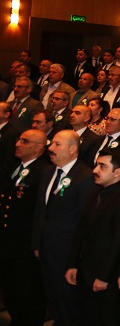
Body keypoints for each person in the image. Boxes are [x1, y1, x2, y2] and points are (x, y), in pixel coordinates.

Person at [33, 130, 95, 326]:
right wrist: (36, 242)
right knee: (53, 299)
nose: (50, 148)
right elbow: (40, 211)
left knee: (69, 304)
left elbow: (84, 222)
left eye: (57, 145)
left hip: (67, 253)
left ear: (72, 149)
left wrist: (75, 260)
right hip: (46, 249)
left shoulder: (85, 177)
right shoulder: (48, 172)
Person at [65, 148, 120, 325]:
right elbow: (81, 230)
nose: (95, 170)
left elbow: (119, 241)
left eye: (102, 166)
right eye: (96, 165)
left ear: (117, 172)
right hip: (85, 270)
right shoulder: (95, 192)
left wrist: (104, 276)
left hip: (104, 276)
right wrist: (73, 264)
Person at [0, 129, 51, 326]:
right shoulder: (17, 167)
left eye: (24, 141)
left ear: (38, 147)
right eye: (19, 140)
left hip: (25, 244)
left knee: (27, 291)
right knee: (11, 288)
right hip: (8, 241)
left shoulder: (43, 171)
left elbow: (40, 211)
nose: (18, 144)